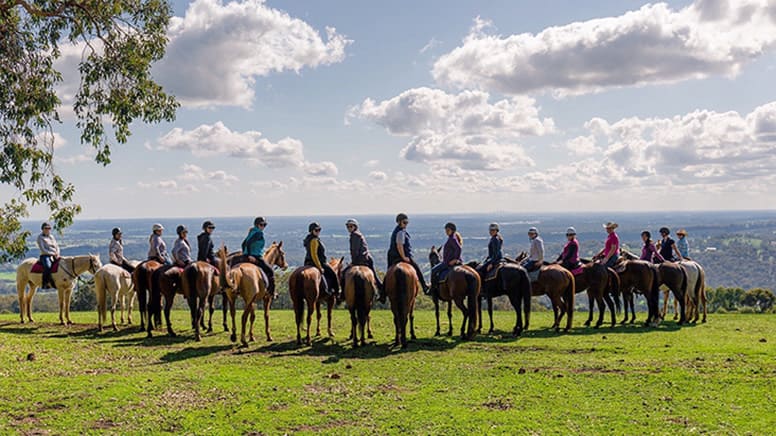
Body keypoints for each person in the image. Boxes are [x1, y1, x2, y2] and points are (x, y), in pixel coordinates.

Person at [386, 213, 429, 294]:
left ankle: (383, 293)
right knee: (417, 268)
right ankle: (424, 286)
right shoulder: (400, 232)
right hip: (399, 255)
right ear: (399, 222)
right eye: (404, 222)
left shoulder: (399, 231)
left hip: (392, 256)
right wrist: (404, 257)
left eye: (407, 223)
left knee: (388, 272)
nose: (406, 224)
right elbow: (399, 246)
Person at [344, 219, 384, 302]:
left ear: (355, 227)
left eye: (351, 226)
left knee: (343, 273)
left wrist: (353, 263)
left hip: (361, 260)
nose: (349, 228)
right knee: (375, 277)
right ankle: (381, 292)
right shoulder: (358, 234)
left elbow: (355, 251)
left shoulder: (354, 235)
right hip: (367, 259)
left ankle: (342, 294)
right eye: (348, 226)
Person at [240, 217, 276, 297]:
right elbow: (248, 243)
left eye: (264, 225)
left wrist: (245, 254)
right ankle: (271, 292)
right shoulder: (258, 233)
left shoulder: (251, 232)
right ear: (257, 225)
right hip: (255, 256)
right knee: (270, 271)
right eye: (261, 225)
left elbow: (243, 244)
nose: (263, 227)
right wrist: (250, 255)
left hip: (246, 256)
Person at [303, 222, 340, 297]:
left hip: (307, 262)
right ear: (311, 231)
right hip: (318, 262)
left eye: (319, 230)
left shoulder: (308, 239)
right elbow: (314, 255)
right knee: (333, 274)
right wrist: (319, 267)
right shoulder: (314, 240)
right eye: (316, 230)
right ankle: (336, 291)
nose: (318, 232)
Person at [430, 222, 463, 295]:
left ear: (452, 230)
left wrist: (455, 259)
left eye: (448, 230)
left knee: (433, 270)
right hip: (448, 261)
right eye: (446, 230)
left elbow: (459, 249)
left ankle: (432, 288)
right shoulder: (451, 238)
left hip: (447, 262)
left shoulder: (452, 239)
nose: (446, 232)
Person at [37, 222, 59, 289]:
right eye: (46, 228)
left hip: (55, 255)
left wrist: (57, 252)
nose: (48, 230)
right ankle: (45, 283)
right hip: (45, 256)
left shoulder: (51, 237)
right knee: (48, 266)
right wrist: (52, 253)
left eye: (49, 228)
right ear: (42, 229)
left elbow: (57, 246)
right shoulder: (40, 237)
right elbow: (43, 249)